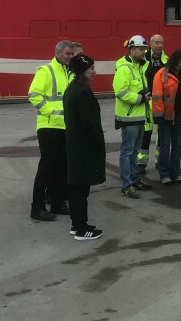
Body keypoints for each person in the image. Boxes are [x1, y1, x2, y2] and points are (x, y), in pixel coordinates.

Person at [27, 39, 76, 221]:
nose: (70, 57)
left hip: (64, 127)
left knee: (62, 168)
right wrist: (52, 113)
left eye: (72, 54)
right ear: (57, 53)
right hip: (49, 127)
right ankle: (37, 207)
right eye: (67, 54)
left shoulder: (69, 72)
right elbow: (34, 95)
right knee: (46, 168)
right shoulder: (46, 71)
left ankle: (57, 202)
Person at [64, 53, 106, 240]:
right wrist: (98, 141)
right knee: (81, 189)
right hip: (84, 147)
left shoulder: (72, 88)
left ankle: (77, 223)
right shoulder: (82, 92)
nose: (94, 72)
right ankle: (81, 229)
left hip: (75, 145)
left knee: (76, 187)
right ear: (82, 70)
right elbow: (89, 123)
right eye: (91, 68)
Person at [113, 35, 153, 198]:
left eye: (144, 49)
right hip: (129, 118)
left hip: (139, 116)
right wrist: (141, 98)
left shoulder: (139, 67)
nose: (143, 52)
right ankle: (126, 185)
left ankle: (135, 179)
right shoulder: (124, 69)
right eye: (140, 49)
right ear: (131, 50)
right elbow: (121, 92)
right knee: (127, 152)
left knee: (135, 151)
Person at [152, 49, 181, 184]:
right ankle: (164, 174)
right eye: (178, 62)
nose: (179, 65)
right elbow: (157, 97)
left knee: (176, 145)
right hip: (165, 117)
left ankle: (176, 173)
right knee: (165, 145)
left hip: (179, 116)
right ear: (173, 62)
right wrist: (159, 116)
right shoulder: (161, 74)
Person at [138, 34, 167, 174]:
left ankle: (159, 161)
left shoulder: (166, 61)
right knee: (145, 134)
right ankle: (141, 163)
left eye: (161, 43)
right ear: (150, 44)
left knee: (161, 134)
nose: (160, 45)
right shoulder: (143, 59)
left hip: (160, 103)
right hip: (146, 103)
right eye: (157, 43)